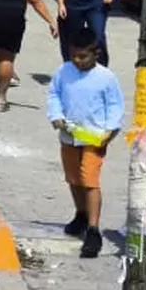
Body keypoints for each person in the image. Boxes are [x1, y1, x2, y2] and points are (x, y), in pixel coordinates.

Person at [46, 36, 124, 258]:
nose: (78, 61)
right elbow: (54, 95)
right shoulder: (64, 71)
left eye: (83, 56)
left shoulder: (106, 78)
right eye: (74, 56)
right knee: (73, 178)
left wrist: (111, 129)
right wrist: (56, 115)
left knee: (89, 180)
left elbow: (115, 105)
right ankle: (80, 214)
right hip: (69, 134)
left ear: (96, 54)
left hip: (94, 136)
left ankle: (93, 228)